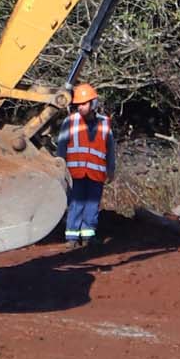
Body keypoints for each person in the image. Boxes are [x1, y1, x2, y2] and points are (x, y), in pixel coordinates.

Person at [60, 83, 113, 243]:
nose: (81, 107)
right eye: (78, 104)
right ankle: (72, 236)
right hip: (75, 173)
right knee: (76, 203)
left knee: (92, 205)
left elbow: (110, 148)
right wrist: (61, 169)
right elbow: (62, 147)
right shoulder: (70, 121)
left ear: (93, 103)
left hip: (96, 173)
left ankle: (89, 235)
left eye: (84, 103)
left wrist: (111, 168)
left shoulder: (105, 123)